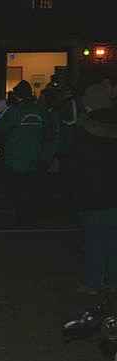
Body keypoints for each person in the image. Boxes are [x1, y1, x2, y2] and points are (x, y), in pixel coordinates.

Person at [72, 83, 117, 296]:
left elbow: (76, 164)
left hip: (92, 191)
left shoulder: (83, 128)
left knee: (93, 240)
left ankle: (93, 282)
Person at [0, 80, 52, 225]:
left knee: (18, 191)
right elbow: (50, 134)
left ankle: (21, 217)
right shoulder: (41, 110)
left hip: (15, 158)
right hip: (36, 157)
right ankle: (32, 216)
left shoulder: (13, 111)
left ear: (17, 95)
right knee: (32, 190)